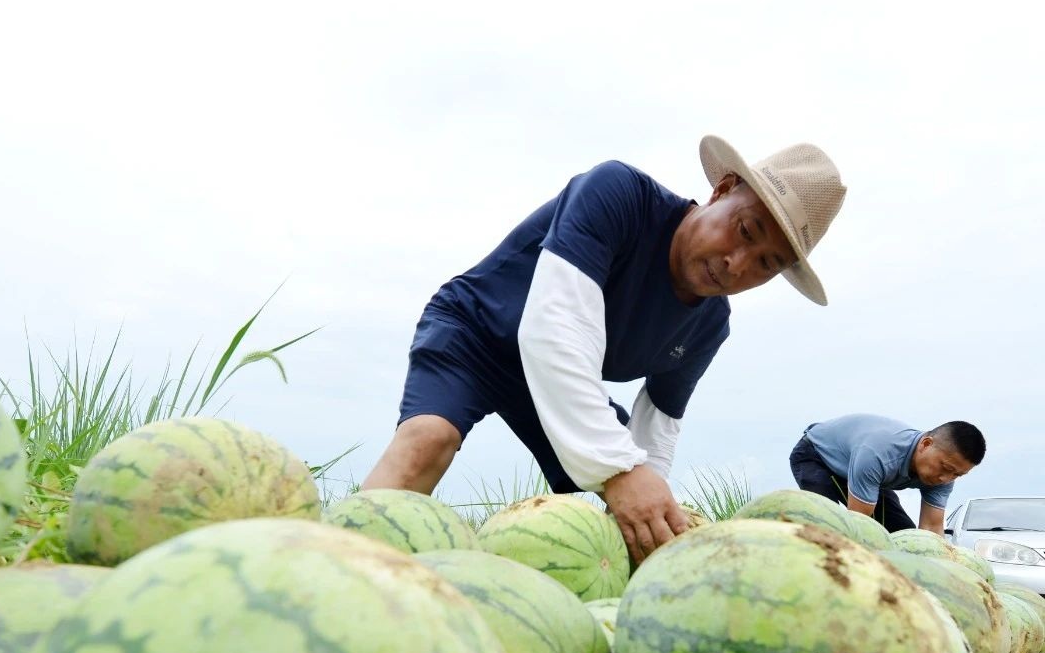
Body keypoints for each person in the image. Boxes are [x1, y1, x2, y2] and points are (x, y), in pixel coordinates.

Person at [361, 135, 848, 563]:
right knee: (428, 439)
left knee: (635, 508)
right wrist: (620, 473)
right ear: (722, 190)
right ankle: (336, 559)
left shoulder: (709, 326)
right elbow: (555, 330)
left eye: (765, 265)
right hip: (477, 333)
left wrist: (643, 505)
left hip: (560, 378)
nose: (737, 264)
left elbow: (656, 427)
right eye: (744, 231)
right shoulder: (618, 194)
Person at [789, 414, 986, 533]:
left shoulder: (945, 476)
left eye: (957, 475)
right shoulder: (879, 454)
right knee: (827, 524)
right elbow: (859, 523)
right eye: (946, 468)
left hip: (868, 473)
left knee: (903, 535)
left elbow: (931, 529)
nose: (946, 478)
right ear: (926, 444)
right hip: (817, 456)